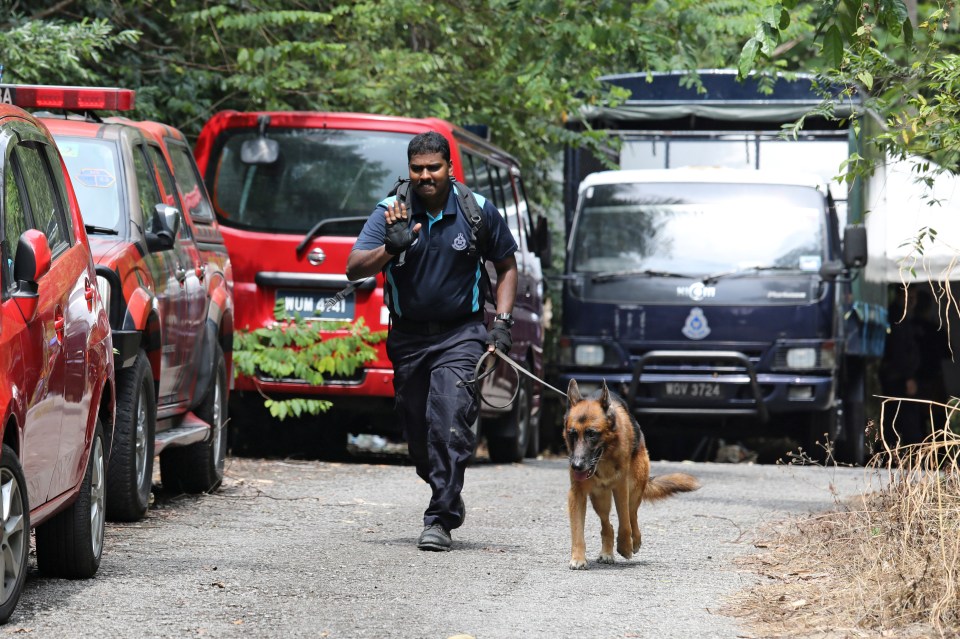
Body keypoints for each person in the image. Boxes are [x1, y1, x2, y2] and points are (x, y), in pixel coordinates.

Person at [345, 131, 518, 551]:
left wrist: (504, 322)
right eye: (418, 169)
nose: (425, 176)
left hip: (462, 335)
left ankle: (438, 519)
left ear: (449, 168)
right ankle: (447, 490)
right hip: (408, 340)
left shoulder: (476, 210)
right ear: (409, 170)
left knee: (449, 421)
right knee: (421, 439)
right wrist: (390, 247)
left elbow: (506, 265)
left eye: (433, 168)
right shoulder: (392, 211)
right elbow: (354, 268)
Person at [879, 286, 924, 446]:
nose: (912, 302)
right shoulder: (897, 316)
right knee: (902, 418)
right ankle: (898, 455)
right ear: (900, 296)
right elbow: (899, 350)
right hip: (898, 377)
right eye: (908, 297)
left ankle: (895, 453)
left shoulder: (902, 316)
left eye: (914, 298)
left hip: (898, 375)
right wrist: (908, 376)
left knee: (898, 417)